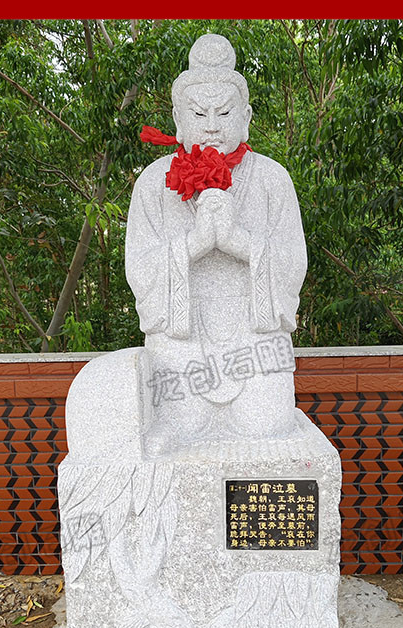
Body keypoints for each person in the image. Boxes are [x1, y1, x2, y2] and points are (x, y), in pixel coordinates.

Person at [125, 34, 308, 456]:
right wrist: (195, 244)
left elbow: (293, 263)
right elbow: (140, 269)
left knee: (267, 428)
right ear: (177, 118)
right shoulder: (153, 184)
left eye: (224, 112)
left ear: (246, 117)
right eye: (198, 113)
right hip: (181, 340)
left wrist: (238, 242)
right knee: (180, 430)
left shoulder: (272, 179)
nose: (211, 125)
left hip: (255, 338)